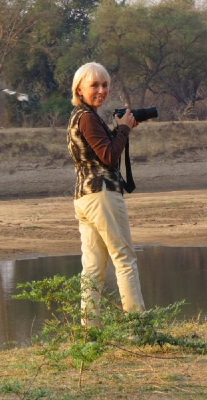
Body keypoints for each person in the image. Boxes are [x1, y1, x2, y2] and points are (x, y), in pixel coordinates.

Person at [67, 61, 145, 326]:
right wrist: (123, 129)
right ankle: (138, 328)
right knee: (124, 259)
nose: (101, 90)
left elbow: (100, 152)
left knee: (93, 268)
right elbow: (110, 157)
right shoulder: (88, 117)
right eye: (94, 85)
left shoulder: (80, 117)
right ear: (79, 89)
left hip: (84, 197)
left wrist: (122, 129)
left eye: (105, 85)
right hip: (102, 195)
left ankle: (91, 331)